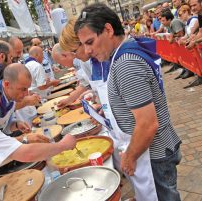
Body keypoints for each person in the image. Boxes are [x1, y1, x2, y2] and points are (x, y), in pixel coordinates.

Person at [75, 3, 181, 201]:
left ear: (108, 29)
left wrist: (130, 157)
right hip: (153, 150)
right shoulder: (123, 53)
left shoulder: (126, 63)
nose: (87, 51)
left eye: (90, 42)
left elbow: (148, 124)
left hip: (154, 154)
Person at [0, 63, 47, 143]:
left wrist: (16, 124)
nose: (26, 94)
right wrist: (24, 139)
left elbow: (5, 125)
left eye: (27, 89)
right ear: (7, 84)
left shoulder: (10, 96)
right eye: (23, 89)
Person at [15, 46, 59, 124]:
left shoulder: (25, 66)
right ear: (37, 55)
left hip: (32, 101)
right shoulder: (37, 65)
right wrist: (52, 83)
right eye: (42, 55)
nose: (43, 57)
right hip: (40, 100)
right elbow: (41, 86)